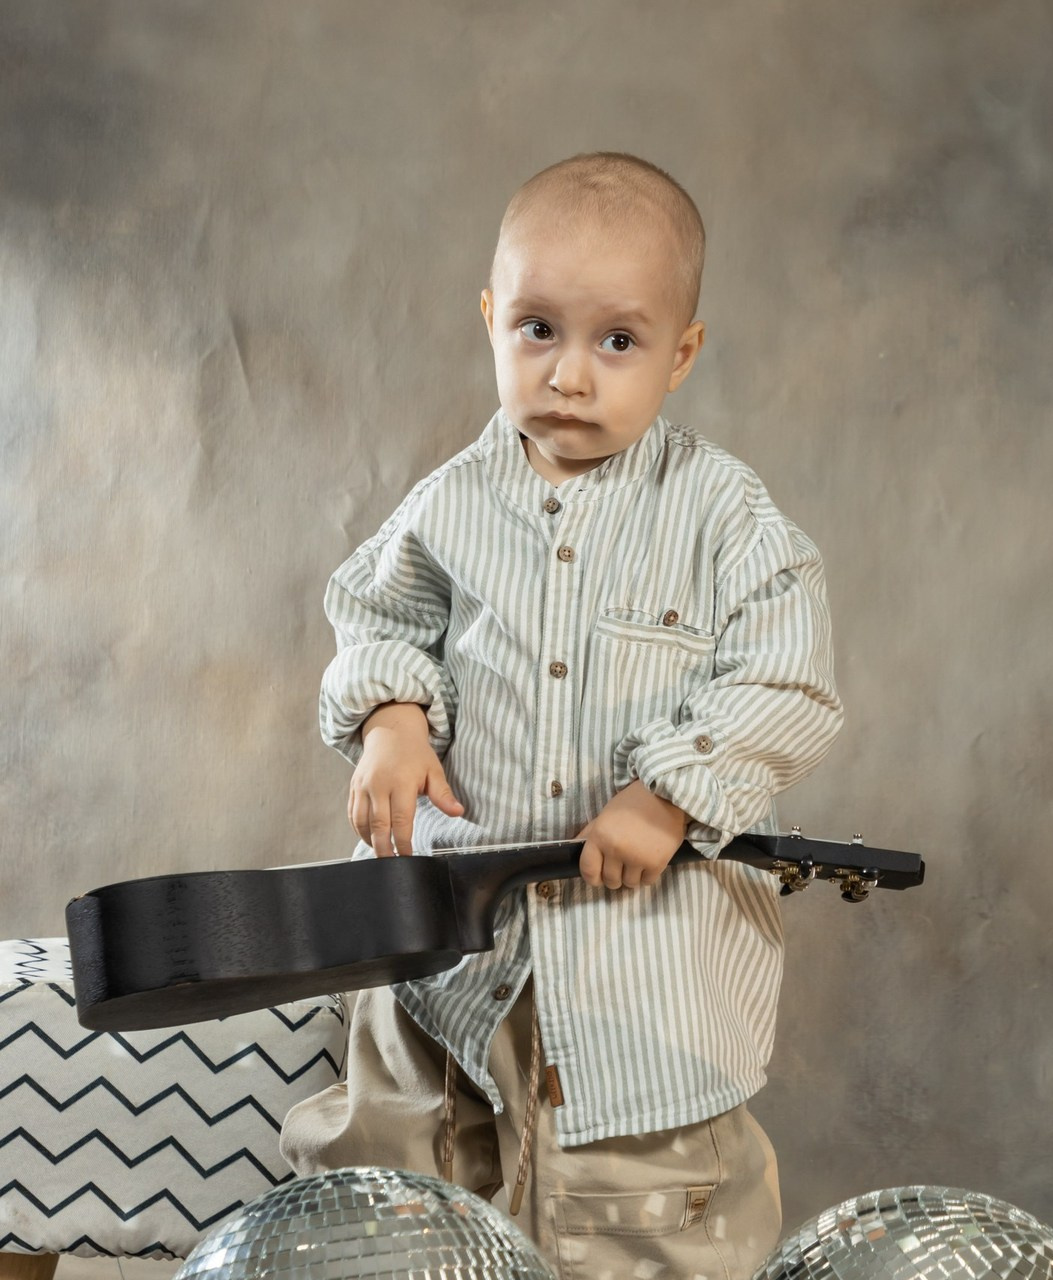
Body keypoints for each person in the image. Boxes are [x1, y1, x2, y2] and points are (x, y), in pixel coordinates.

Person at [281, 151, 844, 1280]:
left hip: (636, 975)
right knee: (399, 1202)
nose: (568, 376)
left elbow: (784, 679)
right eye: (536, 329)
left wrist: (670, 791)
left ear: (680, 353)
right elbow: (377, 615)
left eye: (616, 341)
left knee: (629, 1218)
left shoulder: (725, 516)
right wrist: (392, 716)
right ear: (490, 318)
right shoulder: (449, 500)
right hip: (440, 953)